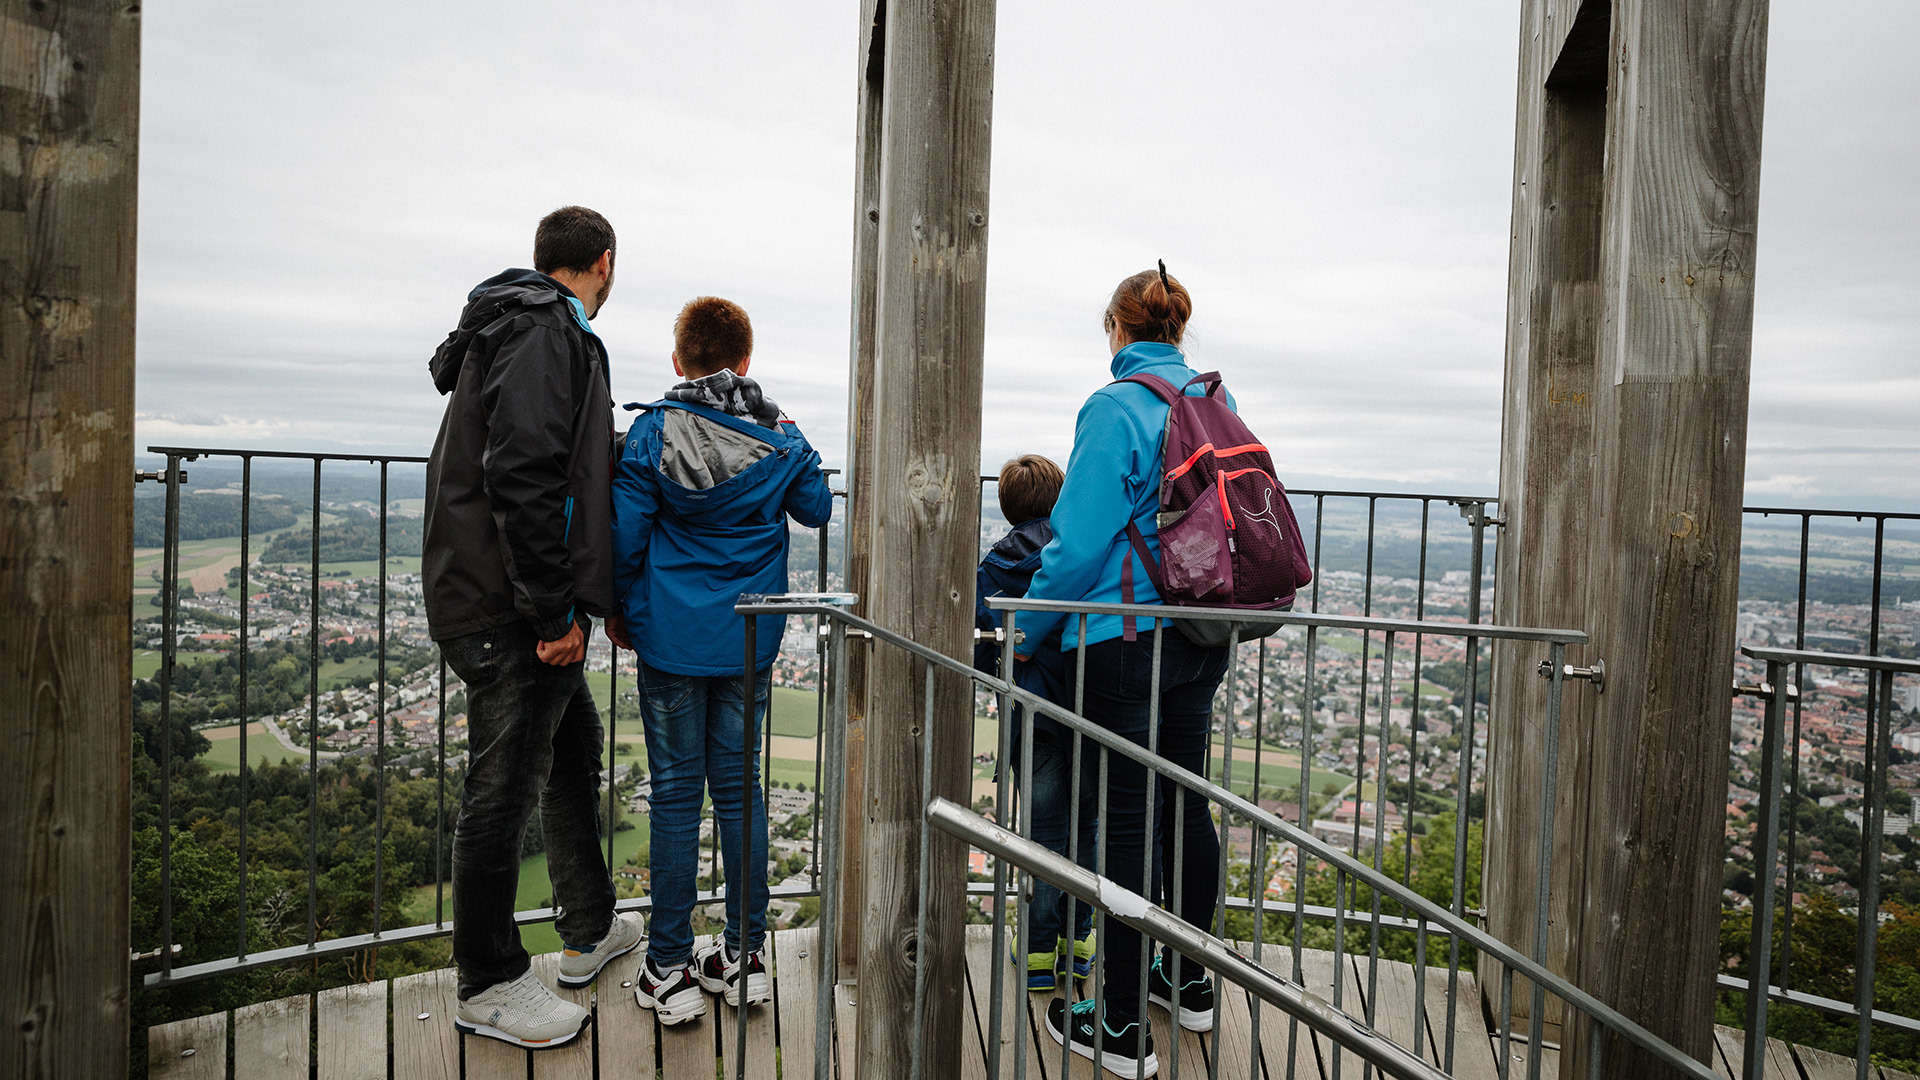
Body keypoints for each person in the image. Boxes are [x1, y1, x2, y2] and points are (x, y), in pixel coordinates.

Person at [424, 206, 640, 1049]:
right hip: (511, 607)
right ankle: (488, 982)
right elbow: (522, 468)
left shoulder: (513, 323)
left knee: (571, 751)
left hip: (495, 591)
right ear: (605, 261)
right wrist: (553, 611)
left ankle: (589, 926)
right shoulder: (549, 330)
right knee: (503, 790)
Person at [1018, 266, 1230, 1079]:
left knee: (1128, 822)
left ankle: (1117, 1021)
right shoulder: (1213, 400)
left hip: (1125, 638)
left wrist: (1025, 632)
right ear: (1177, 328)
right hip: (1203, 633)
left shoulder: (1114, 407)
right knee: (1186, 804)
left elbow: (1076, 546)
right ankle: (1189, 978)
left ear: (1117, 328)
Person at [610, 296, 834, 1025]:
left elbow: (625, 537)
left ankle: (668, 968)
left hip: (669, 638)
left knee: (676, 796)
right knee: (741, 795)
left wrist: (618, 611)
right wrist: (788, 426)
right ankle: (745, 958)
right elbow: (816, 508)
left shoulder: (652, 434)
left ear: (678, 361)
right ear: (746, 363)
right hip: (747, 639)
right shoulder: (777, 440)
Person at [975, 455, 1098, 992]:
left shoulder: (995, 568)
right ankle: (1079, 943)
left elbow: (982, 648)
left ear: (1007, 507)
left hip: (1032, 712)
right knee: (1087, 825)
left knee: (1044, 831)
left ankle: (1038, 950)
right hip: (1093, 709)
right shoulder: (1085, 553)